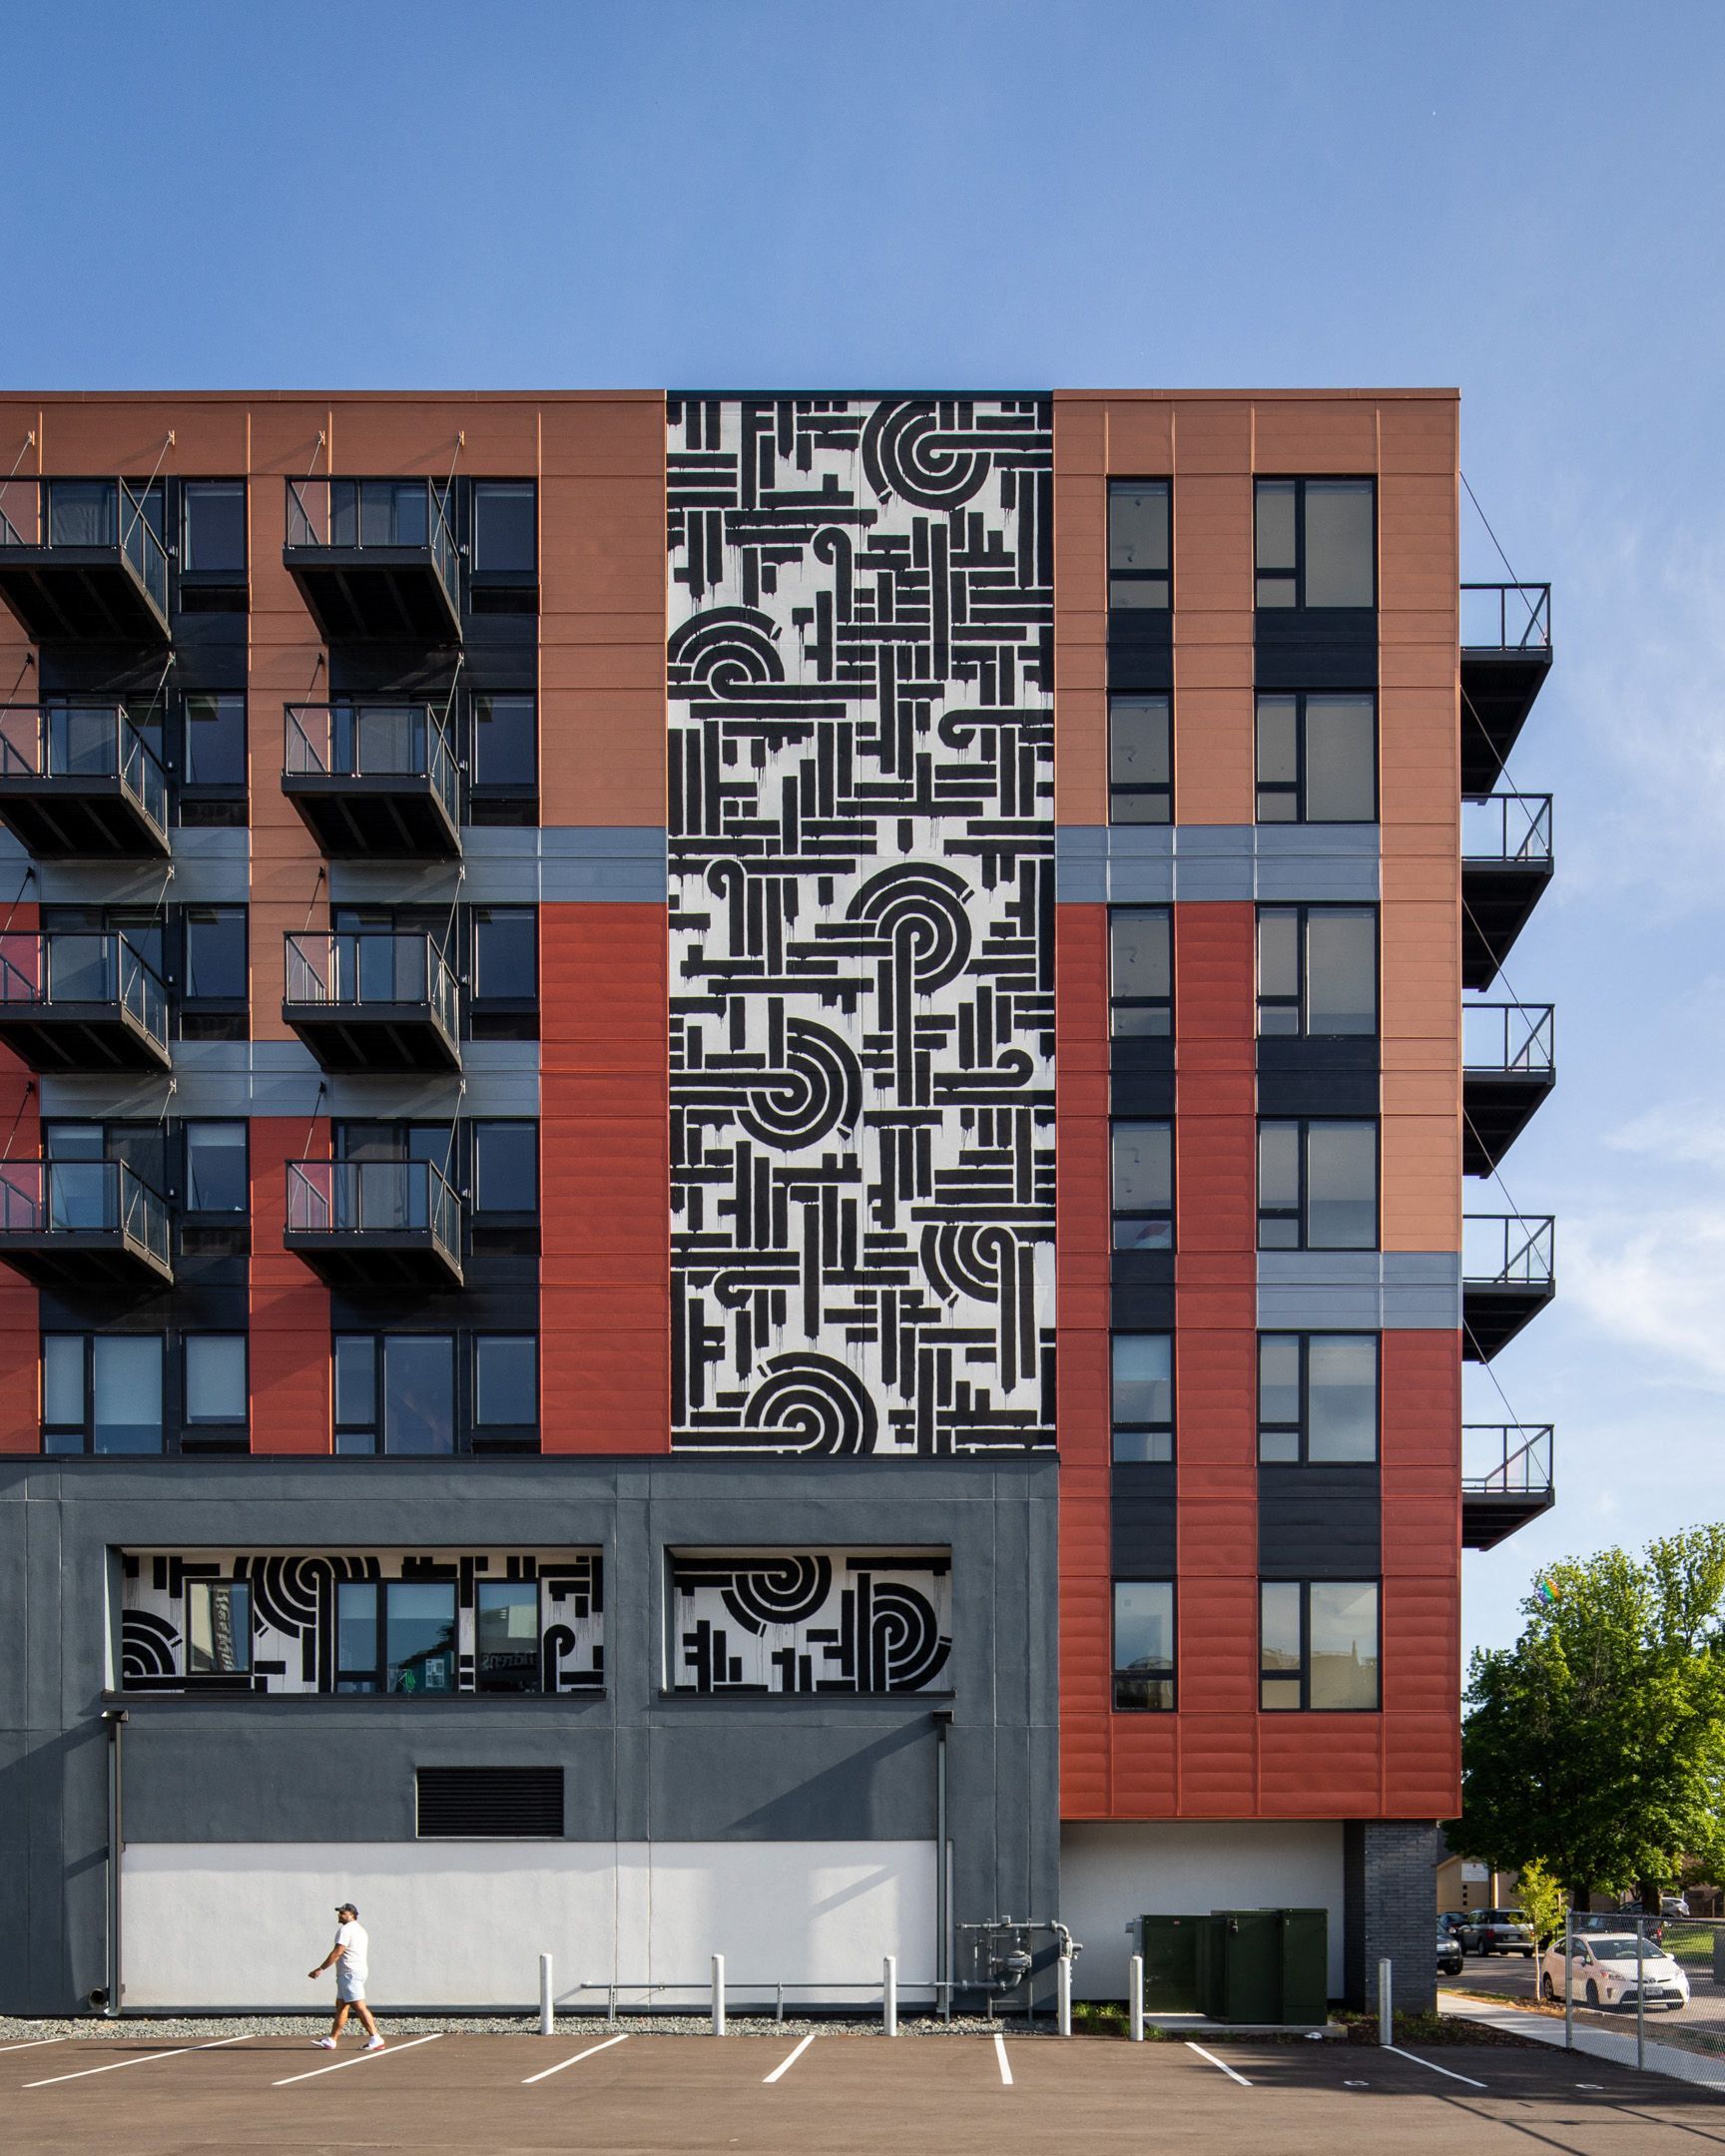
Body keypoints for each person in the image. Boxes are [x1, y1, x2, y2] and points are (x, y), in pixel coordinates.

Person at [308, 1901, 384, 2049]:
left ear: (352, 1915)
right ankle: (331, 2040)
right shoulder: (360, 1930)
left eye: (343, 1913)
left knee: (359, 2006)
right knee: (341, 2006)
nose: (340, 1915)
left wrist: (320, 1969)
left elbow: (338, 1952)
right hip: (353, 1972)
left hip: (350, 1974)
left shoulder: (346, 1930)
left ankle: (376, 2038)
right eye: (339, 1912)